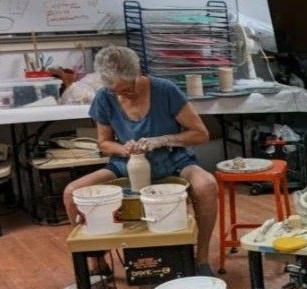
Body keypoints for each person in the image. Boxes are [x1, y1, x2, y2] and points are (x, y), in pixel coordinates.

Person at [63, 46, 217, 276]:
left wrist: (164, 139)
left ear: (138, 73)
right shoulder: (105, 97)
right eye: (119, 92)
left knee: (207, 185)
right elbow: (104, 143)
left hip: (173, 159)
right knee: (72, 192)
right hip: (126, 164)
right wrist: (125, 149)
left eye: (129, 89)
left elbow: (201, 133)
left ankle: (202, 259)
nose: (125, 95)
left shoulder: (165, 90)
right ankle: (97, 264)